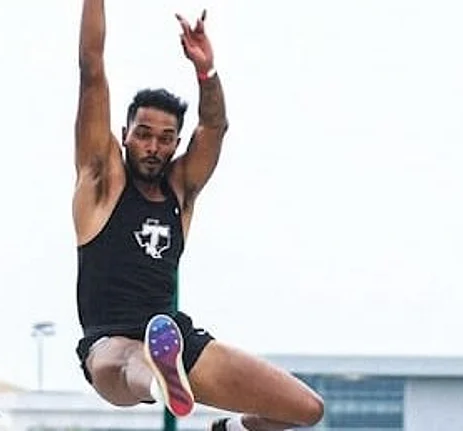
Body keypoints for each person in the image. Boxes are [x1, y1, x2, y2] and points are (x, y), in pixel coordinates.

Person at [72, 1, 325, 430]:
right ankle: (161, 380)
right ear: (125, 135)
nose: (154, 147)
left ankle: (221, 425)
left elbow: (214, 127)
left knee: (304, 410)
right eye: (145, 135)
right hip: (108, 346)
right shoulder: (101, 182)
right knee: (136, 360)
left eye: (166, 138)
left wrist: (206, 72)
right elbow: (91, 69)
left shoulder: (180, 190)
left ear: (175, 145)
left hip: (174, 335)